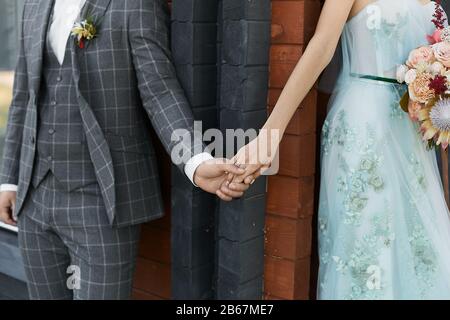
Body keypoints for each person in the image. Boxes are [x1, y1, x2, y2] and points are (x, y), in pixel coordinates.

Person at [0, 0, 250, 300]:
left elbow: (159, 91)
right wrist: (9, 179)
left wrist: (195, 161)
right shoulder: (34, 5)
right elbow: (23, 97)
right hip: (34, 201)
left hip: (103, 200)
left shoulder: (135, 5)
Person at [233, 0, 450, 299]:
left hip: (412, 130)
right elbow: (321, 48)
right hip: (363, 126)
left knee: (418, 249)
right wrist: (271, 133)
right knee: (367, 246)